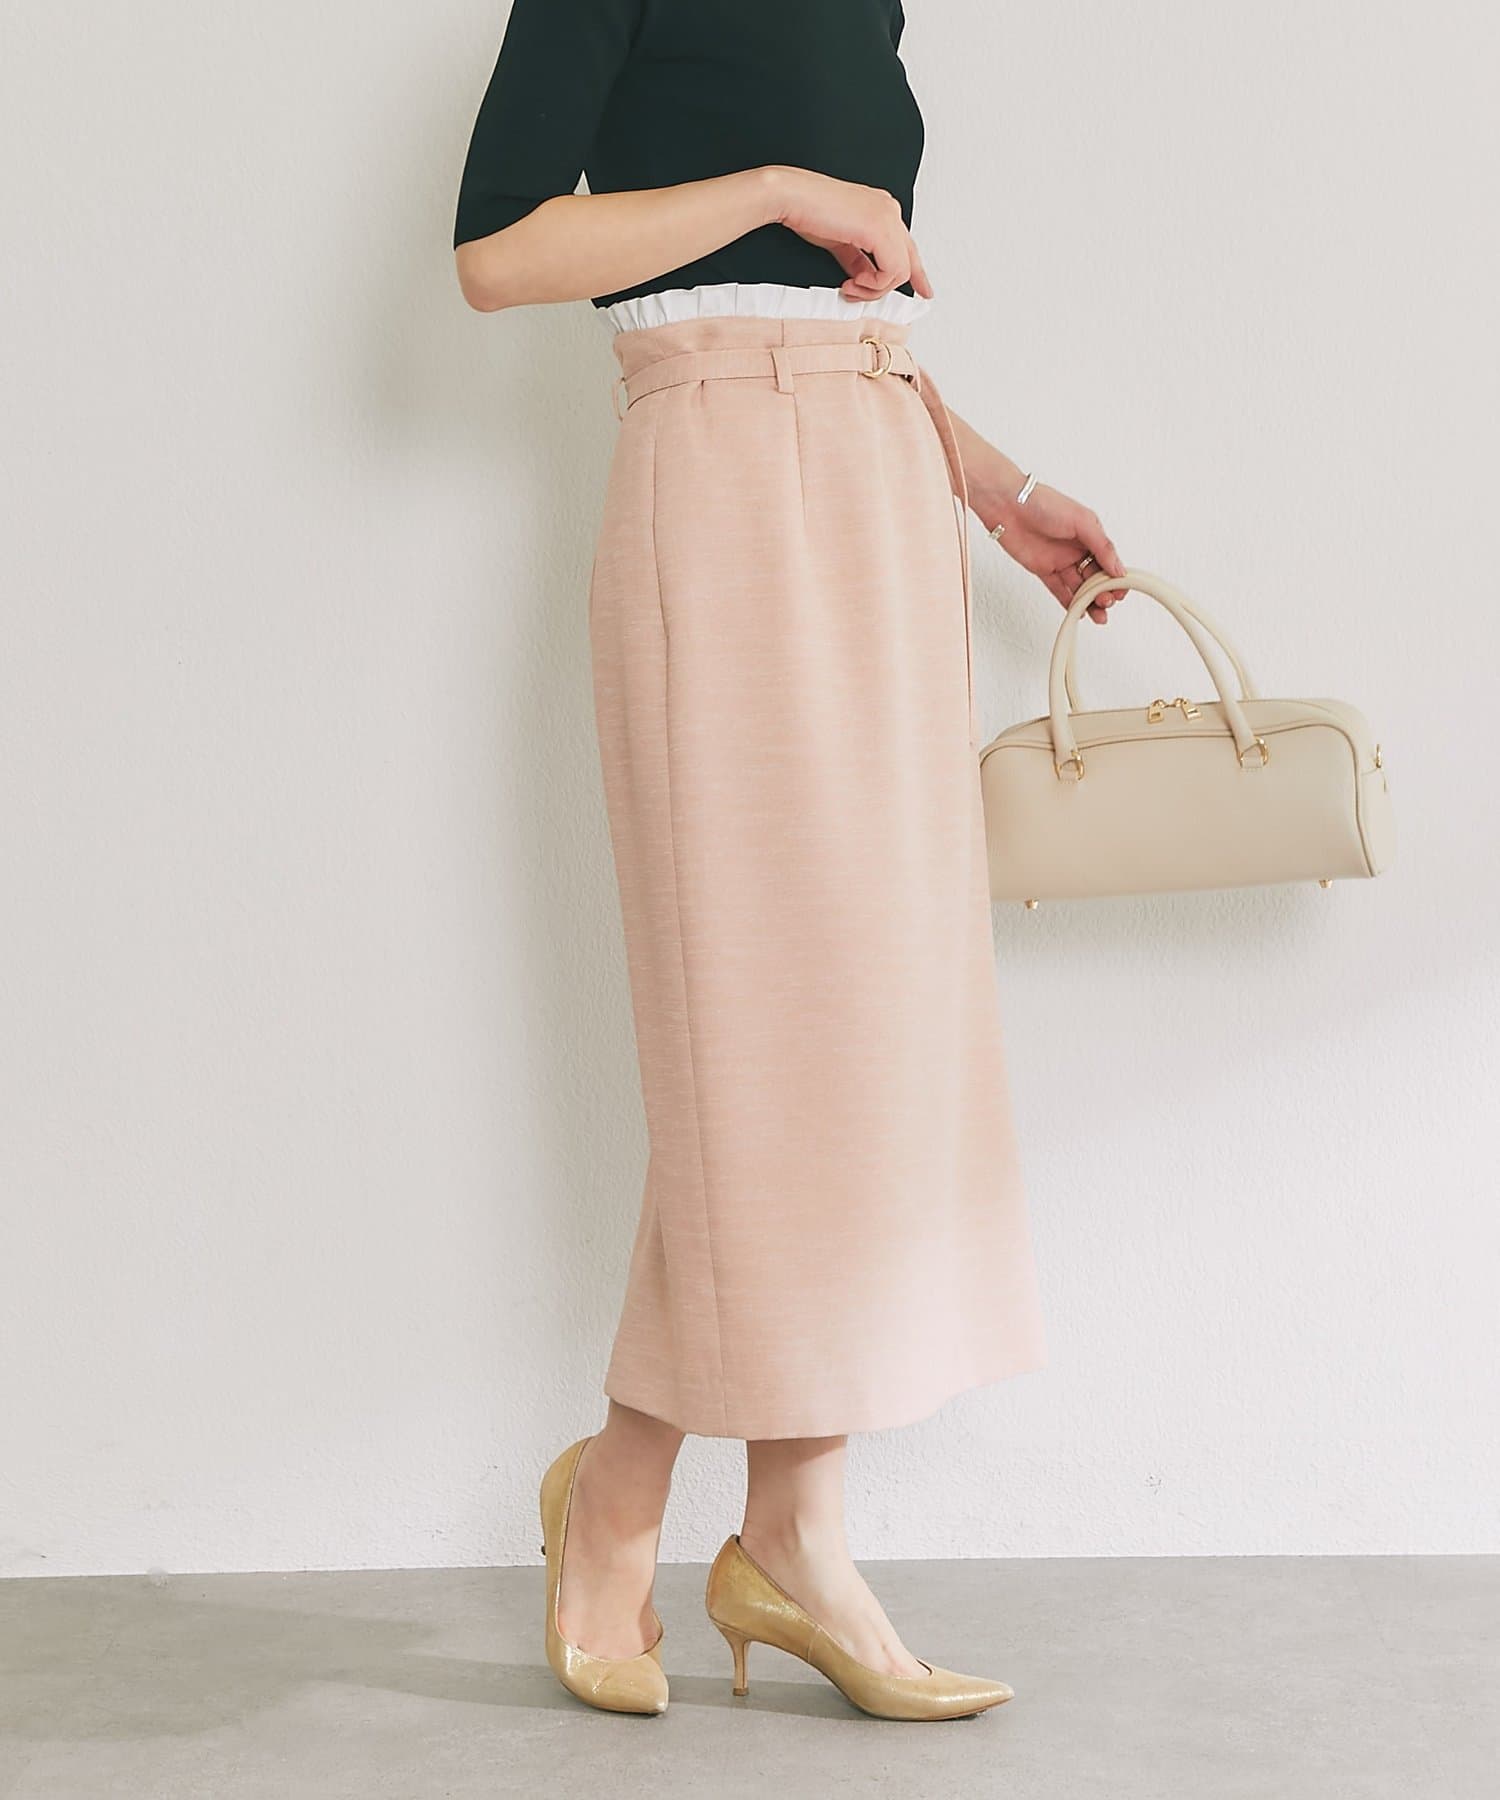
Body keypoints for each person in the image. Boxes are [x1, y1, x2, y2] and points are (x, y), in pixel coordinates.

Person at [452, 0, 1128, 1722]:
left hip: (884, 478)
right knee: (754, 1034)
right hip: (719, 486)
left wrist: (997, 490)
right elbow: (499, 255)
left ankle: (785, 1530)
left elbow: (845, 318)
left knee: (859, 1032)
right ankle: (645, 1505)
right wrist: (771, 185)